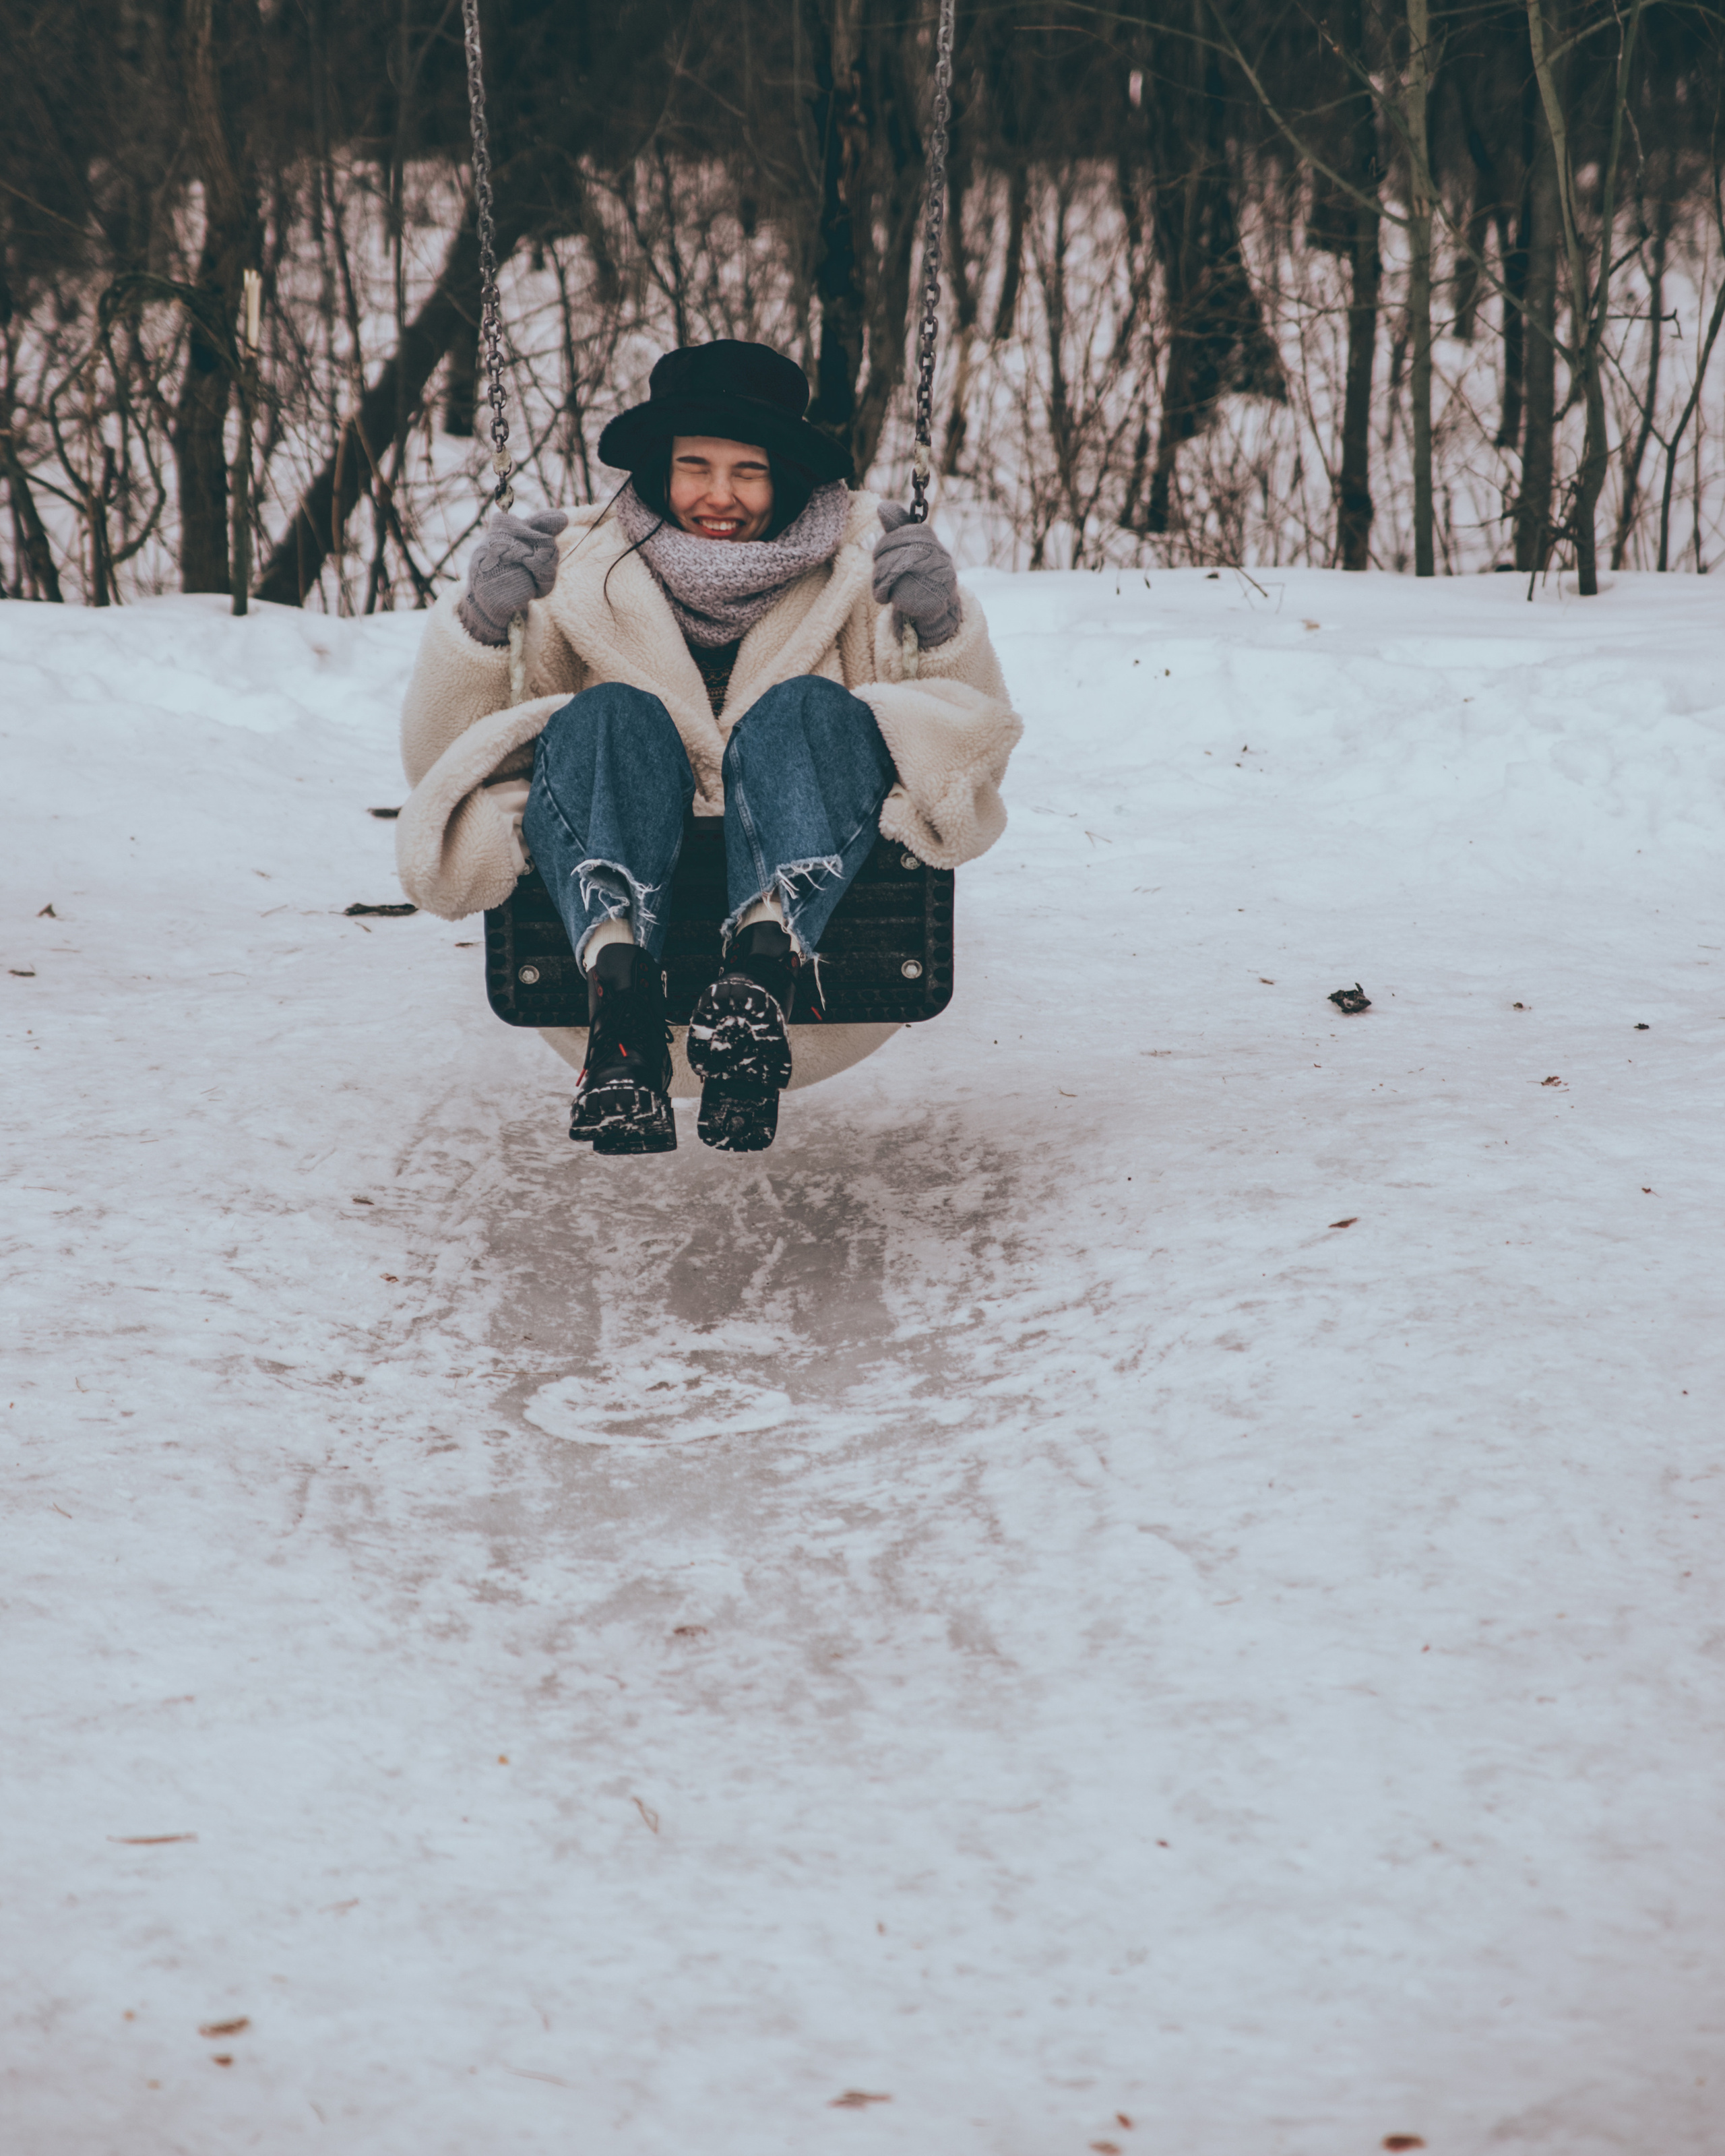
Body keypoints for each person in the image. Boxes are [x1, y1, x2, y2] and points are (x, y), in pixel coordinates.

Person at [396, 340, 1021, 1156]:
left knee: (806, 710)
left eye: (748, 471)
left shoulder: (862, 570)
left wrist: (937, 627)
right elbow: (448, 760)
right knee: (610, 714)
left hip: (821, 936)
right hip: (615, 904)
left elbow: (966, 752)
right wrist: (483, 626)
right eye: (695, 465)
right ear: (660, 467)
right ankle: (621, 1010)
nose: (718, 496)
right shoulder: (579, 570)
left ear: (786, 475)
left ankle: (759, 979)